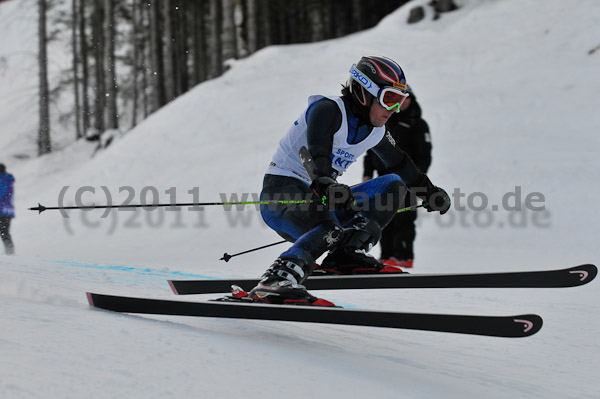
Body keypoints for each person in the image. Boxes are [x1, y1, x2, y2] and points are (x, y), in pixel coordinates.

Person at [251, 55, 450, 306]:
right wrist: (326, 182)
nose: (394, 109)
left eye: (399, 101)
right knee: (330, 227)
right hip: (281, 195)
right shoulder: (328, 109)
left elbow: (401, 165)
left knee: (393, 186)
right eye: (389, 99)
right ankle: (275, 279)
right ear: (365, 92)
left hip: (321, 196)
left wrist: (429, 192)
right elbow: (318, 151)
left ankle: (346, 254)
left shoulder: (376, 130)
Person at [363, 85, 432, 268]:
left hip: (407, 181)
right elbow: (371, 152)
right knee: (383, 217)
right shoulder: (385, 122)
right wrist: (367, 173)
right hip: (383, 181)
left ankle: (403, 256)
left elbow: (425, 155)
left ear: (411, 100)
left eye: (406, 99)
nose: (402, 103)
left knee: (404, 219)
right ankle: (386, 256)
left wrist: (415, 179)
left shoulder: (417, 123)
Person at [0, 163, 15, 255]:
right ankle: (10, 252)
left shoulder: (3, 180)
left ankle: (10, 253)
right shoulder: (6, 180)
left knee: (4, 233)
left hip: (2, 211)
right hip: (7, 211)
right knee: (4, 233)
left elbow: (1, 194)